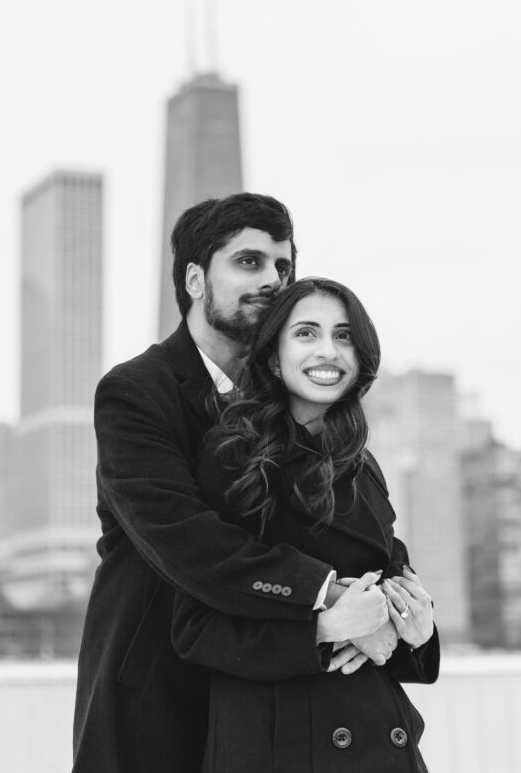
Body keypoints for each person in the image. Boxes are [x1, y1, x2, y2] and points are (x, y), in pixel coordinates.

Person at [73, 195, 372, 773]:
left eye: (282, 267)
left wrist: (391, 603)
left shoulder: (292, 398)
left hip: (271, 688)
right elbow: (187, 541)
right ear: (194, 279)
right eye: (250, 262)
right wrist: (328, 595)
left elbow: (338, 518)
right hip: (157, 689)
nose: (273, 281)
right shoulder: (135, 392)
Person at [171, 277, 439, 772]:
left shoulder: (363, 464)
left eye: (344, 336)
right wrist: (321, 629)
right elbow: (195, 627)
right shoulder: (234, 456)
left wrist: (419, 632)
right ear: (274, 357)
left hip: (381, 737)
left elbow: (389, 593)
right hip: (279, 748)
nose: (328, 351)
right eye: (306, 333)